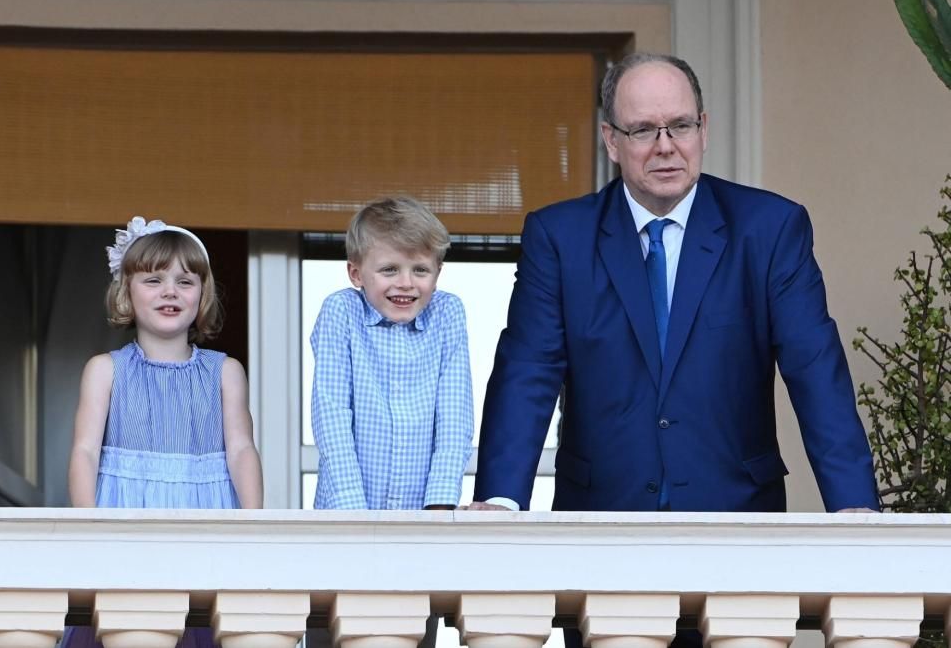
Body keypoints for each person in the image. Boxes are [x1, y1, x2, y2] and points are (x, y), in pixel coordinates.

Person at [469, 54, 879, 644]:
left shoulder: (770, 228)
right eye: (643, 130)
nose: (666, 146)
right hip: (603, 526)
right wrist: (502, 501)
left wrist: (853, 509)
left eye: (680, 126)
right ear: (611, 139)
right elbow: (528, 370)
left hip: (738, 523)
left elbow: (816, 369)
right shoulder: (559, 237)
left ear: (703, 129)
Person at [66, 216, 263, 647]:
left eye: (185, 281)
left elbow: (242, 450)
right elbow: (85, 451)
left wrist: (254, 526)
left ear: (202, 295)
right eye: (153, 279)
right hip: (125, 524)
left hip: (205, 523)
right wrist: (87, 524)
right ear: (127, 292)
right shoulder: (105, 370)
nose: (170, 291)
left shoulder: (225, 372)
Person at [307, 196, 473, 648]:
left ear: (438, 273)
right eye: (389, 270)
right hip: (346, 519)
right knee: (337, 629)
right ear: (356, 274)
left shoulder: (448, 314)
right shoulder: (341, 312)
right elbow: (332, 415)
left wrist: (440, 507)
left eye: (421, 270)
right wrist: (355, 518)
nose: (406, 284)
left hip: (421, 524)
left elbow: (455, 416)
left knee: (410, 630)